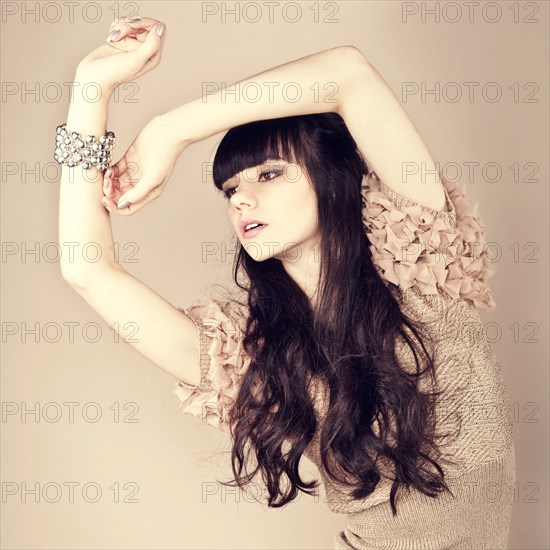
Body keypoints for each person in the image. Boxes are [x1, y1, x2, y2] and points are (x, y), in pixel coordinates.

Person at [57, 15, 516, 550]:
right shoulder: (260, 358)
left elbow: (347, 76)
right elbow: (86, 267)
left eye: (269, 174)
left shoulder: (427, 267)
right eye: (230, 189)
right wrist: (91, 90)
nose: (242, 199)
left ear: (332, 179)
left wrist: (171, 130)